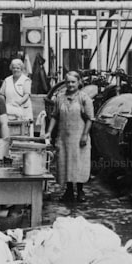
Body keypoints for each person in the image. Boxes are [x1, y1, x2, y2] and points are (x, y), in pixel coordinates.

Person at [47, 70, 94, 202]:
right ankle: (68, 191)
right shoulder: (59, 97)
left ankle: (80, 191)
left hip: (79, 137)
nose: (70, 84)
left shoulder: (84, 98)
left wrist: (85, 135)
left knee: (79, 164)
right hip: (63, 137)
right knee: (65, 163)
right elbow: (54, 116)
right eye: (68, 82)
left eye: (73, 82)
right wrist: (49, 132)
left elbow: (90, 119)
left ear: (79, 82)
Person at [0, 58, 33, 125]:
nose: (15, 70)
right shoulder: (7, 80)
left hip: (23, 110)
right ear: (11, 68)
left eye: (18, 68)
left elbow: (27, 94)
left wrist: (19, 103)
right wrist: (3, 105)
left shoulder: (25, 80)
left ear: (21, 69)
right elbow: (1, 94)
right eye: (14, 68)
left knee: (23, 130)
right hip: (9, 110)